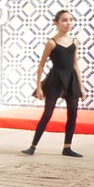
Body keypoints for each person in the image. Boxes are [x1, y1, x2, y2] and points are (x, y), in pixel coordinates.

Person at [21, 10, 87, 157]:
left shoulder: (74, 41)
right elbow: (41, 65)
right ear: (56, 23)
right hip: (55, 79)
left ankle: (67, 148)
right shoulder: (51, 42)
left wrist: (81, 87)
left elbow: (75, 64)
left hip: (71, 79)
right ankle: (32, 146)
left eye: (71, 20)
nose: (68, 23)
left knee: (73, 114)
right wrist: (39, 87)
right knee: (48, 114)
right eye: (64, 20)